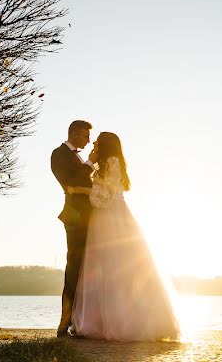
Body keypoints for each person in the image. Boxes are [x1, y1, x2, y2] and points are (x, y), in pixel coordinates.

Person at [71, 132, 179, 341]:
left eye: (98, 140)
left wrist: (82, 191)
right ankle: (104, 321)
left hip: (110, 218)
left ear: (105, 144)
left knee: (115, 267)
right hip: (105, 218)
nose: (93, 142)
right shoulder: (107, 162)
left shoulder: (111, 162)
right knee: (105, 268)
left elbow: (105, 197)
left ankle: (123, 322)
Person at [50, 119, 94, 338]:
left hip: (88, 217)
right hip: (75, 218)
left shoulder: (75, 156)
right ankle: (64, 322)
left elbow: (83, 184)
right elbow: (70, 183)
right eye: (86, 136)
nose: (88, 140)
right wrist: (89, 164)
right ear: (75, 134)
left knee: (89, 268)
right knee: (74, 267)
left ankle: (83, 319)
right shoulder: (59, 154)